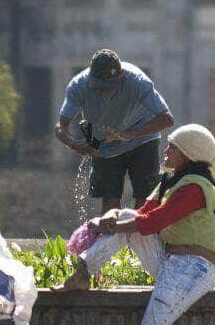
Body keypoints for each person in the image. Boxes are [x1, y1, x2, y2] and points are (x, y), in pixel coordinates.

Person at [53, 124, 215, 325]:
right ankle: (82, 272)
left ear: (188, 154)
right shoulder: (173, 180)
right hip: (171, 259)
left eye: (172, 147)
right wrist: (111, 216)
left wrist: (114, 227)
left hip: (194, 266)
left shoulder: (196, 187)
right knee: (128, 216)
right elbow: (143, 211)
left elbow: (159, 220)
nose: (167, 151)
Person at [55, 49, 174, 213]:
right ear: (90, 77)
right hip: (104, 144)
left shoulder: (138, 81)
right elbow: (61, 127)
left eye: (110, 87)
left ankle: (140, 237)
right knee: (110, 196)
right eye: (99, 87)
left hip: (142, 137)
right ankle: (111, 236)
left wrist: (130, 134)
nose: (105, 92)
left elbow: (167, 119)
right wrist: (75, 145)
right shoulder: (79, 85)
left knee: (144, 196)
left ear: (122, 75)